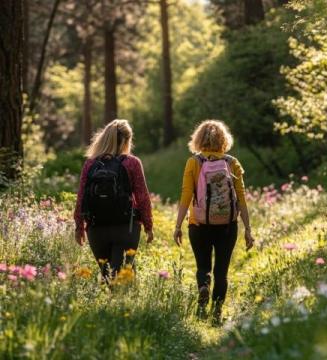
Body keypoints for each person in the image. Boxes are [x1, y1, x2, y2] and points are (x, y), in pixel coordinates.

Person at [173, 120, 255, 324]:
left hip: (199, 223)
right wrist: (248, 229)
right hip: (227, 225)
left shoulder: (194, 162)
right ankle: (217, 313)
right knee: (222, 271)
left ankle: (203, 290)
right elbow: (241, 197)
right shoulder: (232, 162)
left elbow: (186, 194)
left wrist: (177, 226)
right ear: (224, 140)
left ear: (199, 139)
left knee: (203, 267)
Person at [74, 119, 153, 282]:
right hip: (126, 227)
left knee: (108, 278)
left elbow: (81, 196)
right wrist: (148, 226)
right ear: (126, 140)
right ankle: (124, 306)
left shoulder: (90, 164)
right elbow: (143, 197)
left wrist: (79, 227)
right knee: (120, 278)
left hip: (96, 229)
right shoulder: (132, 162)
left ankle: (110, 306)